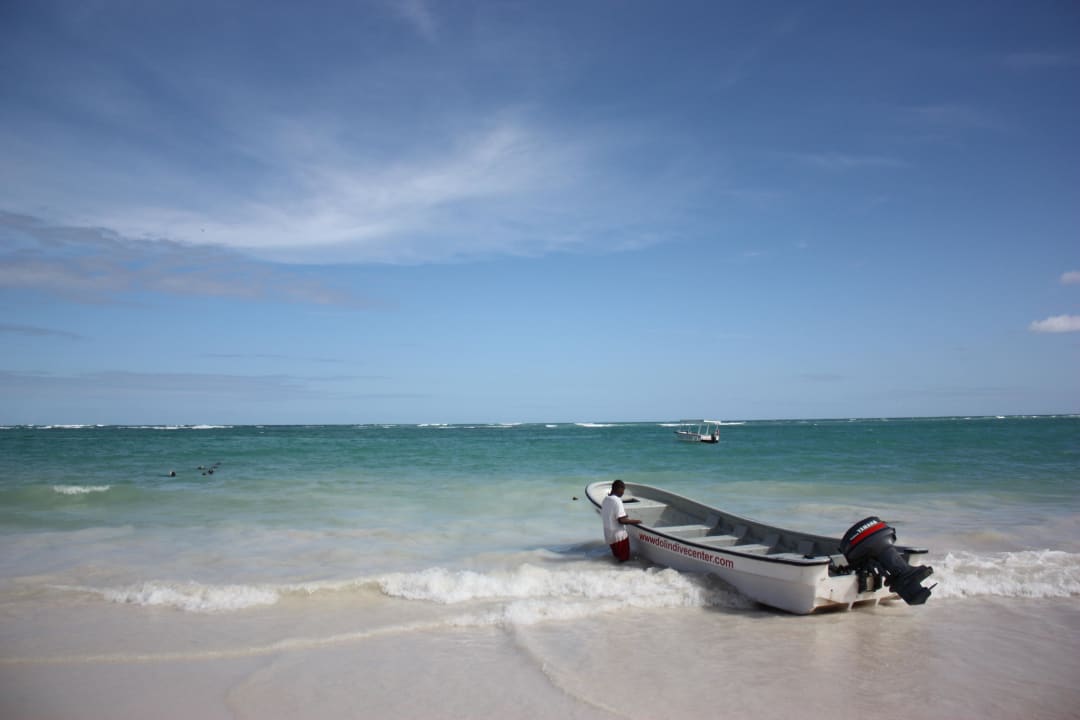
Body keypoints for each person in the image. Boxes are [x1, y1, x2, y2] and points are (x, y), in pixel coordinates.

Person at [601, 479, 641, 562]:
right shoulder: (617, 500)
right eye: (623, 489)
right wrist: (636, 521)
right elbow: (621, 520)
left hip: (609, 537)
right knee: (624, 560)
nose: (623, 492)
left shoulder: (605, 500)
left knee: (617, 559)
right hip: (620, 537)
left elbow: (611, 515)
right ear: (619, 488)